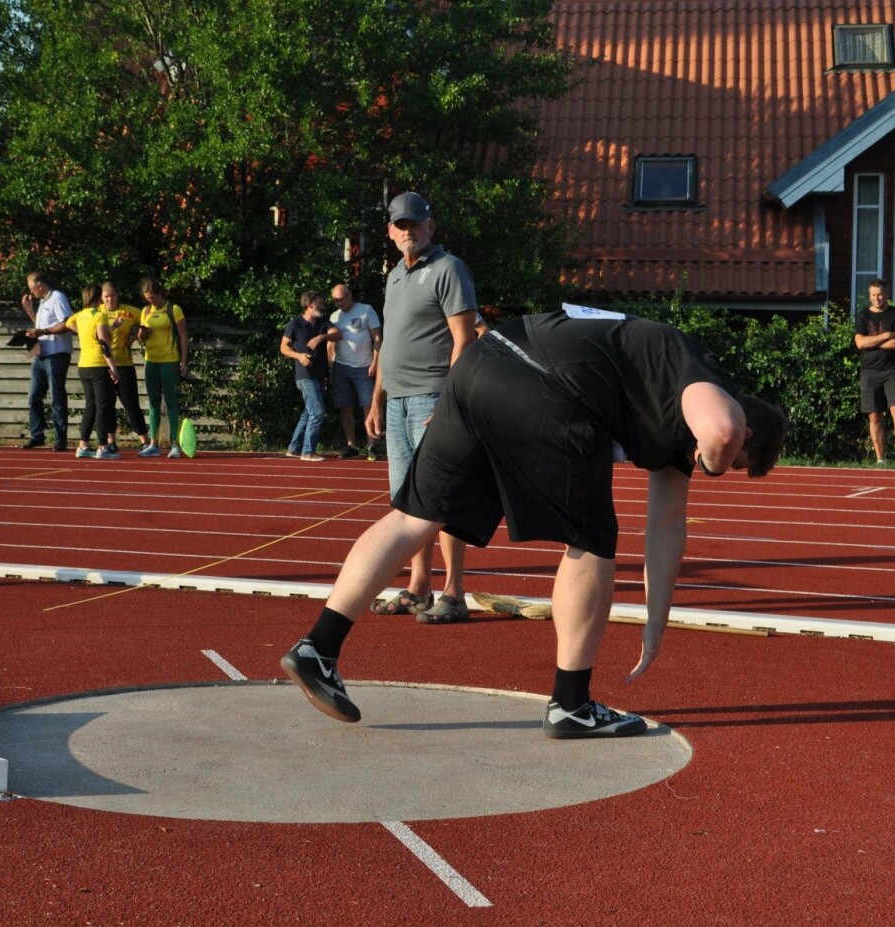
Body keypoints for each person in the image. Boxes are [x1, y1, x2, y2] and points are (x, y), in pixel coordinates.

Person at [281, 311, 788, 739]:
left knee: (416, 516)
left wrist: (655, 626)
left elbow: (666, 527)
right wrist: (719, 455)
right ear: (750, 429)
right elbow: (720, 429)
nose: (713, 469)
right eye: (738, 463)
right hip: (551, 386)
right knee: (590, 542)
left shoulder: (674, 424)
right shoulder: (705, 377)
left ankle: (318, 647)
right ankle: (571, 705)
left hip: (485, 362)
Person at [366, 191, 476, 624]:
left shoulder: (449, 269)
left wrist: (450, 401)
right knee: (408, 502)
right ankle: (419, 585)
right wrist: (376, 398)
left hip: (433, 397)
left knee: (442, 497)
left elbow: (464, 340)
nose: (408, 231)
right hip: (396, 402)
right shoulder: (393, 276)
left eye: (415, 223)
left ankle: (454, 592)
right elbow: (388, 344)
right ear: (391, 232)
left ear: (431, 226)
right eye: (400, 225)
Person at [854, 278, 895, 465]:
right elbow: (860, 343)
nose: (876, 298)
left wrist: (873, 342)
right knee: (874, 415)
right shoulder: (862, 315)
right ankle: (881, 459)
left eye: (879, 294)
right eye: (873, 295)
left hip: (892, 371)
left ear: (887, 294)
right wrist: (887, 335)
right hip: (869, 371)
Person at [61, 285, 122, 459]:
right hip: (98, 365)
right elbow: (104, 344)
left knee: (91, 405)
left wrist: (84, 333)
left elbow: (68, 323)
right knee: (103, 406)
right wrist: (113, 367)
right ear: (97, 299)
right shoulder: (99, 315)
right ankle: (102, 446)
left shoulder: (80, 315)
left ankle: (83, 444)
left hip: (83, 365)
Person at [97, 282, 156, 457]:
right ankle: (111, 441)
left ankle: (144, 441)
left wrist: (134, 338)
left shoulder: (128, 311)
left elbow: (148, 320)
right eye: (106, 297)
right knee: (107, 405)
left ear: (117, 296)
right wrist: (113, 326)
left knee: (130, 403)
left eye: (112, 296)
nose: (110, 300)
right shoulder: (97, 312)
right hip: (103, 364)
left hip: (124, 363)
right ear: (101, 298)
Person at [281, 290, 339, 461]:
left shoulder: (323, 323)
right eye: (320, 303)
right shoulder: (295, 324)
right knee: (318, 412)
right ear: (309, 304)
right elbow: (283, 347)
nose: (323, 306)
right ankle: (308, 451)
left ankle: (294, 448)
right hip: (305, 375)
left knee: (309, 412)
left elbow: (339, 335)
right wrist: (299, 356)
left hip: (320, 375)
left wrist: (322, 337)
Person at [21, 271, 74, 451]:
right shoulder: (43, 301)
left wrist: (43, 332)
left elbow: (67, 323)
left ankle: (60, 439)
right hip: (41, 354)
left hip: (57, 353)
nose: (31, 292)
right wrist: (29, 311)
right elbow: (41, 326)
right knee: (33, 396)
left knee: (56, 396)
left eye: (31, 289)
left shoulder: (57, 297)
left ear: (40, 286)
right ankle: (37, 435)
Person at [327, 284, 382, 460]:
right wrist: (329, 366)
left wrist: (376, 361)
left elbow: (378, 337)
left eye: (341, 299)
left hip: (364, 366)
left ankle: (372, 446)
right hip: (340, 366)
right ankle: (351, 445)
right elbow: (330, 342)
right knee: (345, 406)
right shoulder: (334, 316)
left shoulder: (366, 310)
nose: (339, 303)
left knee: (368, 404)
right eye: (335, 300)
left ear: (349, 295)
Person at [138, 277, 190, 457]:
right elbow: (141, 337)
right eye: (147, 297)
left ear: (159, 293)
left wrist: (183, 361)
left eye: (152, 297)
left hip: (169, 360)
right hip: (151, 360)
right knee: (153, 401)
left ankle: (175, 444)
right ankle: (154, 444)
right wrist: (142, 334)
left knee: (171, 401)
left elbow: (183, 336)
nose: (149, 301)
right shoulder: (145, 311)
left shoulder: (173, 309)